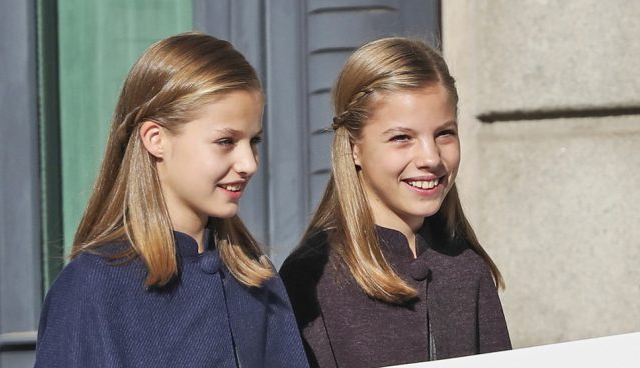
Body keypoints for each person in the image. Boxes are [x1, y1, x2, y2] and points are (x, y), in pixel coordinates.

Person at [35, 32, 308, 368]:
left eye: (254, 141)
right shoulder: (92, 288)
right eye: (226, 141)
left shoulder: (256, 280)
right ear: (156, 139)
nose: (249, 163)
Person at [279, 37, 511, 368]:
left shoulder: (466, 266)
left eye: (444, 133)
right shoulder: (313, 277)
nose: (431, 157)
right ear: (354, 147)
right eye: (402, 138)